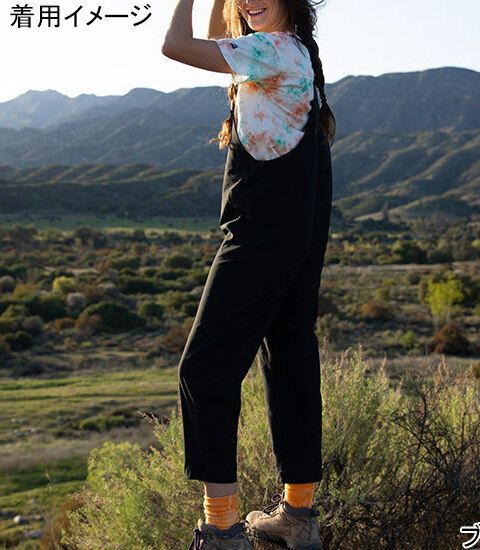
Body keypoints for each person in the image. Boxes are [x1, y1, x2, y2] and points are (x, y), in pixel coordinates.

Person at [162, 0, 335, 548]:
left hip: (261, 233)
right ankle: (298, 516)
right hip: (299, 230)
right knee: (289, 359)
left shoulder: (271, 50)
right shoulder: (294, 51)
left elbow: (175, 46)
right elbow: (223, 33)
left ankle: (221, 529)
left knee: (205, 369)